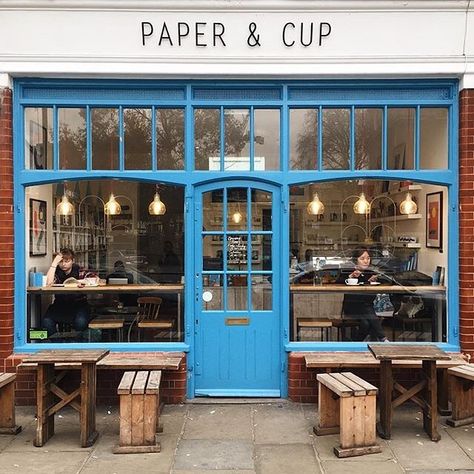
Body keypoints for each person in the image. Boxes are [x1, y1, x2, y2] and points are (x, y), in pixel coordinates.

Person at [338, 247, 389, 342]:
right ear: (355, 260)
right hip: (352, 307)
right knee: (368, 313)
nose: (366, 261)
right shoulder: (348, 270)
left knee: (366, 323)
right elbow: (338, 281)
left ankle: (355, 343)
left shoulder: (370, 272)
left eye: (368, 258)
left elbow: (386, 279)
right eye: (362, 259)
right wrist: (351, 276)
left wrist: (375, 279)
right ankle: (383, 338)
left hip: (367, 307)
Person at [43, 248, 90, 338]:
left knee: (81, 323)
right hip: (60, 305)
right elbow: (48, 283)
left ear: (72, 261)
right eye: (61, 262)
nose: (63, 264)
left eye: (67, 261)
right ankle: (58, 345)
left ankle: (76, 346)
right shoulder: (55, 271)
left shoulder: (80, 270)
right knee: (46, 321)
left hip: (79, 305)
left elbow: (96, 279)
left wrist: (84, 282)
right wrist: (54, 263)